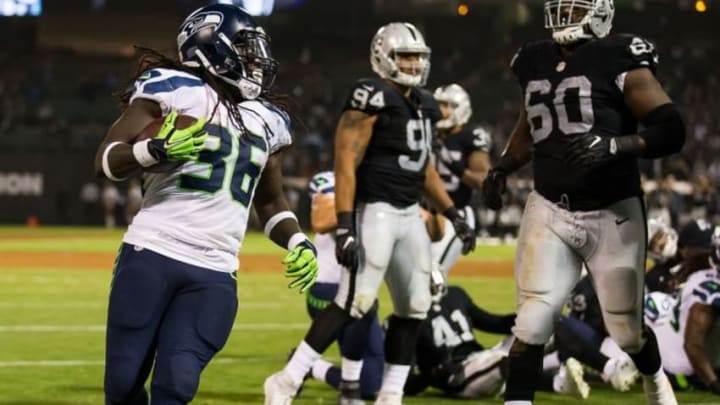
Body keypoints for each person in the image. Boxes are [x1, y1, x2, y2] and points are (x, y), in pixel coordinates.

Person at [93, 5, 318, 404]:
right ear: (209, 44)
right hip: (152, 252)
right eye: (246, 50)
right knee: (123, 387)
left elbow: (270, 203)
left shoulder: (267, 118)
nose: (256, 61)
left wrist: (298, 240)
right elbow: (107, 160)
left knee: (176, 384)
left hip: (215, 268)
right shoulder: (173, 87)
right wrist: (153, 150)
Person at [481, 1, 686, 404]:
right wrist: (502, 166)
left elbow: (671, 128)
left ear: (600, 13)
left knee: (627, 330)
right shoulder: (534, 58)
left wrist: (616, 145)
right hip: (550, 206)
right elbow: (533, 122)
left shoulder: (619, 56)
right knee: (533, 321)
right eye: (562, 8)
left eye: (576, 10)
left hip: (613, 211)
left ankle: (656, 383)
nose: (565, 17)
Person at [264, 22, 475, 405]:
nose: (412, 64)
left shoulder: (425, 103)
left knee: (415, 306)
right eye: (405, 56)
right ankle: (287, 379)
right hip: (374, 210)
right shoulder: (370, 94)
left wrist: (452, 212)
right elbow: (346, 160)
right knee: (354, 300)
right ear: (384, 57)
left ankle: (390, 394)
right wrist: (345, 224)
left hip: (410, 213)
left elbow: (424, 167)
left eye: (417, 57)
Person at [302, 171, 384, 402]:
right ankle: (301, 370)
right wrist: (367, 207)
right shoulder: (332, 180)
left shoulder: (380, 179)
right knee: (365, 385)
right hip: (328, 289)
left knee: (373, 383)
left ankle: (311, 367)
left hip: (358, 289)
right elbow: (320, 221)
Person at [430, 84, 491, 275]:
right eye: (439, 105)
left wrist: (452, 164)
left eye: (447, 105)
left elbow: (485, 183)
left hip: (455, 214)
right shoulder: (426, 133)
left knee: (433, 273)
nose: (441, 110)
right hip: (424, 213)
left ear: (461, 108)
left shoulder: (470, 137)